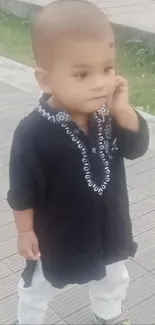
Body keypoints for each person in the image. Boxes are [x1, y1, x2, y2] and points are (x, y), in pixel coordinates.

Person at [7, 1, 149, 324]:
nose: (100, 82)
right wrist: (25, 231)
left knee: (115, 277)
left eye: (108, 68)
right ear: (45, 80)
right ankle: (27, 319)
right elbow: (22, 189)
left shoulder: (110, 115)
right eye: (82, 73)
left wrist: (123, 110)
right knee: (38, 285)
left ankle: (108, 314)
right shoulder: (32, 134)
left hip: (109, 229)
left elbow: (137, 147)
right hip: (57, 234)